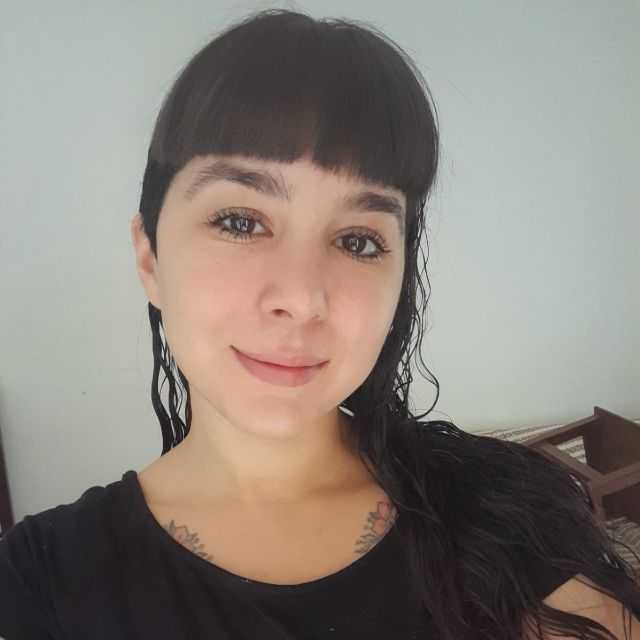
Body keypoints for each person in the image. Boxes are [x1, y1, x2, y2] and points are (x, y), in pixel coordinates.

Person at [1, 8, 639, 640]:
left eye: (358, 240)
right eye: (240, 222)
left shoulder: (504, 515)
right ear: (150, 258)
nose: (303, 297)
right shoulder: (42, 580)